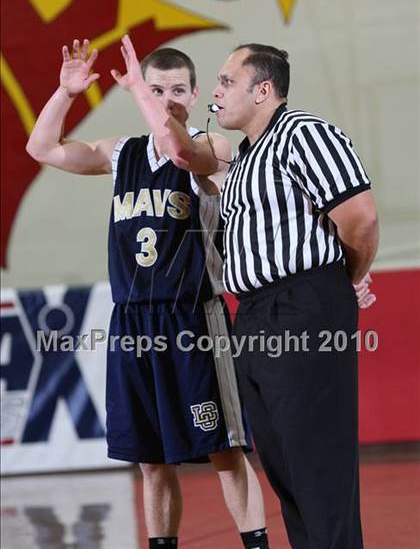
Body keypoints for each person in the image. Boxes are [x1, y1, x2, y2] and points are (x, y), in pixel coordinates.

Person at [26, 37, 271, 549]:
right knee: (151, 461)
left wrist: (140, 90)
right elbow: (41, 148)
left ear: (196, 92)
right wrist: (66, 92)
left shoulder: (213, 148)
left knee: (226, 451)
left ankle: (258, 543)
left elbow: (180, 149)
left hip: (193, 318)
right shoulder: (122, 153)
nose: (166, 99)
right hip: (133, 322)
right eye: (156, 89)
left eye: (177, 90)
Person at [211, 43, 379, 548]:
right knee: (284, 468)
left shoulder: (302, 133)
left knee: (317, 464)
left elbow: (360, 216)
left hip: (303, 306)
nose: (215, 93)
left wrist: (343, 280)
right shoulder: (244, 159)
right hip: (256, 314)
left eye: (225, 81)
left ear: (263, 90)